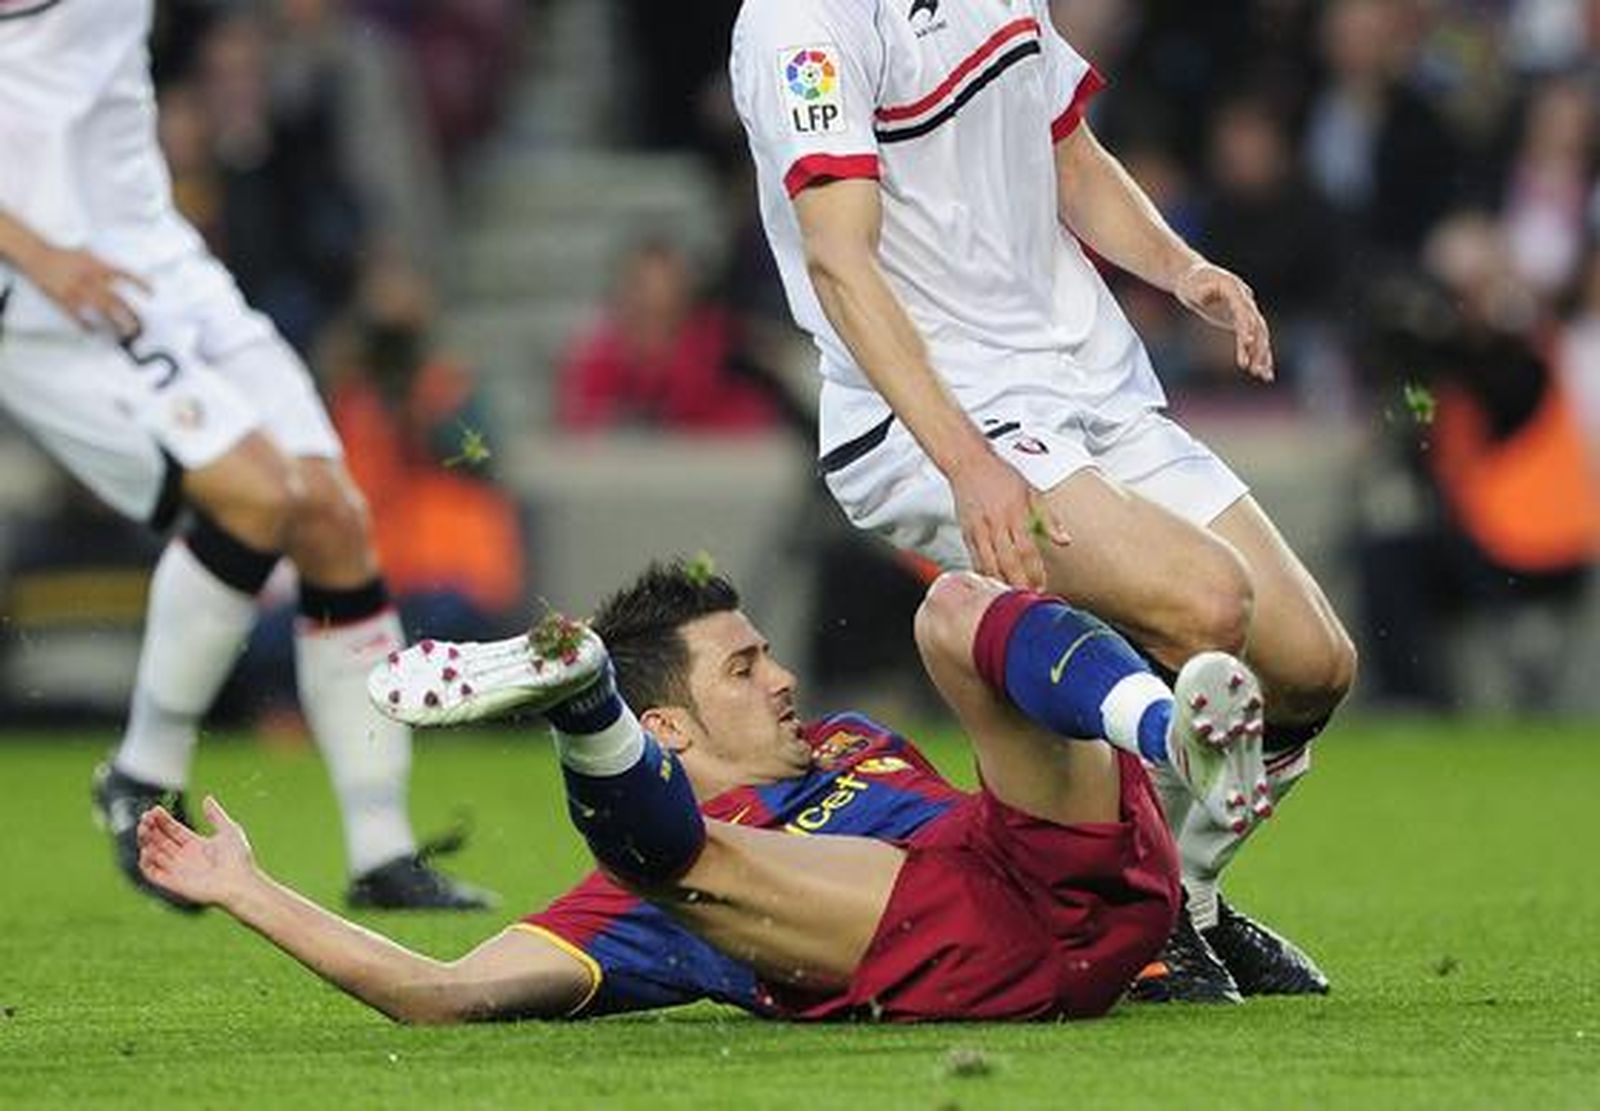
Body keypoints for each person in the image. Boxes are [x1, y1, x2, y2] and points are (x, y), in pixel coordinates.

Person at [727, 0, 1354, 998]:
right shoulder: (800, 26)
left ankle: (1186, 903)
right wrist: (968, 461)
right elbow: (841, 263)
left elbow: (1068, 154)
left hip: (1086, 378)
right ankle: (1134, 924)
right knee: (1204, 604)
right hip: (936, 411)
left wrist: (1181, 267)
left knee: (1311, 664)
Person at [133, 559, 1273, 1023]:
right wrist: (245, 888)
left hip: (1074, 874)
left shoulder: (847, 738)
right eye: (744, 669)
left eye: (768, 653)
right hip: (944, 941)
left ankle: (1174, 733)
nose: (783, 679)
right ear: (668, 726)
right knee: (685, 867)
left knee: (953, 606)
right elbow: (440, 991)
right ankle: (581, 705)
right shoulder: (628, 905)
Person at [0, 0, 487, 910]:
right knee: (256, 498)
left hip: (155, 255)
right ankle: (143, 772)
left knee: (333, 515)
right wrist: (41, 255)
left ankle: (381, 852)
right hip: (40, 289)